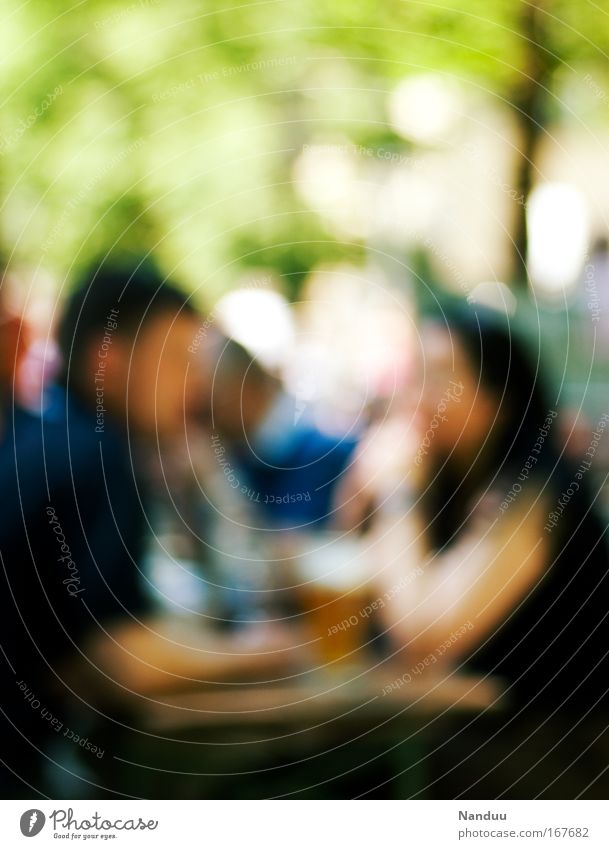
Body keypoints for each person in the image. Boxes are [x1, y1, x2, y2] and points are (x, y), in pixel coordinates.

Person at [0, 257, 301, 798]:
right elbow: (113, 658)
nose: (196, 382)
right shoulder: (93, 456)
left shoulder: (46, 432)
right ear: (108, 360)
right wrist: (263, 654)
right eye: (179, 359)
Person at [347, 302, 609, 797]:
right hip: (474, 741)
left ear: (499, 398)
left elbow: (422, 635)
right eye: (414, 373)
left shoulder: (536, 495)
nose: (416, 396)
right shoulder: (450, 486)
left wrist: (398, 492)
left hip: (558, 761)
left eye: (442, 375)